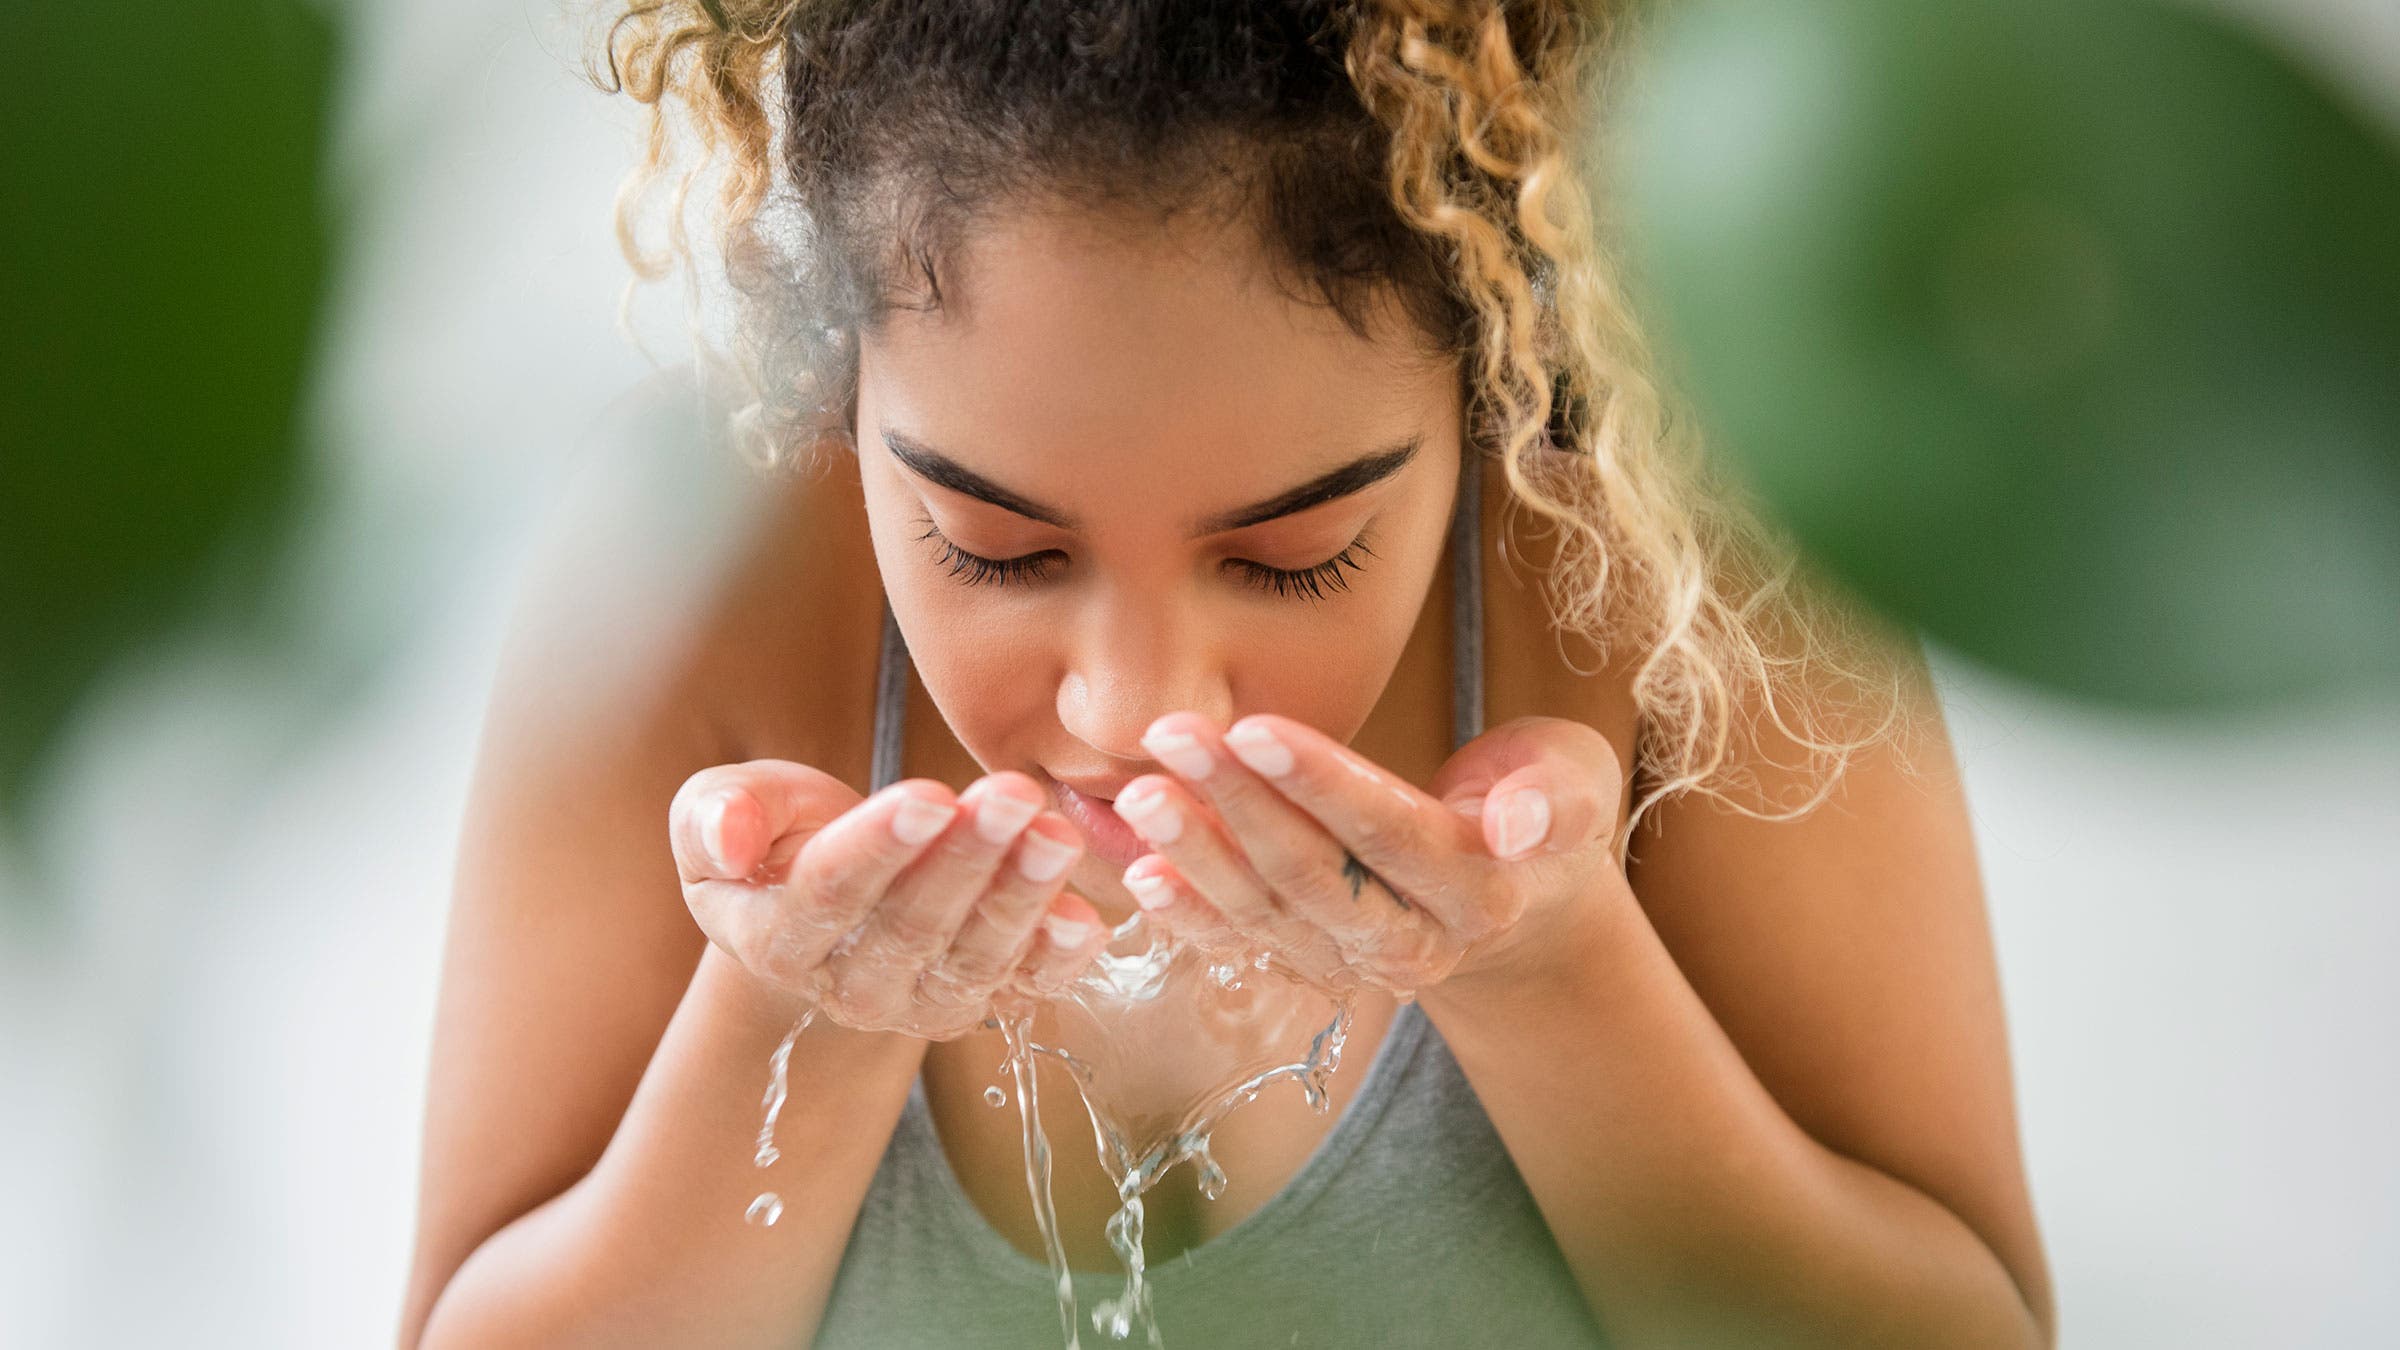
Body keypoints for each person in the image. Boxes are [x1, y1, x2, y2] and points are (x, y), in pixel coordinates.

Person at [399, 2, 2057, 1346]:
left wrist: (1546, 977)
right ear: (846, 379)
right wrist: (798, 1023)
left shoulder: (1682, 569)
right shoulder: (685, 590)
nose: (1142, 711)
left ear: (1482, 367)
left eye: (1289, 555)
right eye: (992, 546)